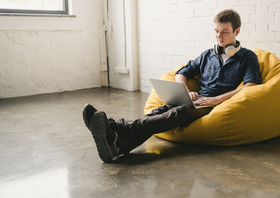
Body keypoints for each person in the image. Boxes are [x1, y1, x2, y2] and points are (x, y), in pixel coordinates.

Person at [83, 9, 262, 163]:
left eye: (224, 32)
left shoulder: (248, 57)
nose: (218, 36)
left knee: (179, 113)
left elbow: (251, 86)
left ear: (237, 31)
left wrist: (216, 99)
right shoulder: (208, 54)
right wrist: (186, 91)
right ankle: (116, 143)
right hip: (197, 99)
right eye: (216, 31)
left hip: (216, 105)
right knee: (160, 110)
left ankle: (115, 129)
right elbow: (181, 73)